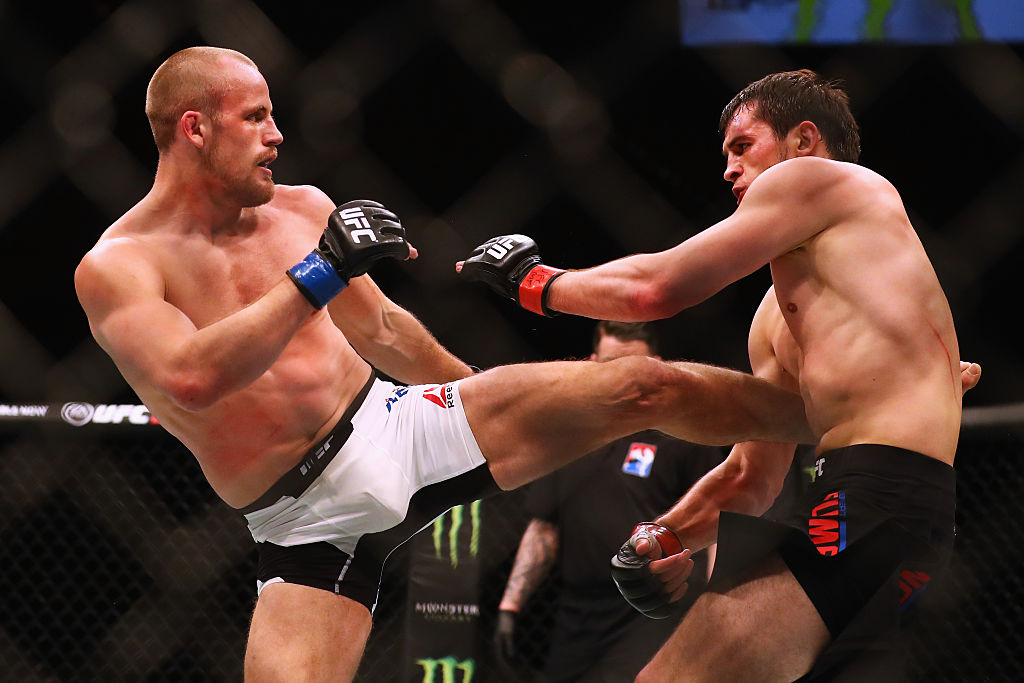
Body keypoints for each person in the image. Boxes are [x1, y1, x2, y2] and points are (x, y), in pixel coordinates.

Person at [74, 48, 823, 682]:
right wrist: (318, 273)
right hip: (300, 518)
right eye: (256, 117)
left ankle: (834, 413)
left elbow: (390, 330)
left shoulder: (301, 207)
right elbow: (190, 377)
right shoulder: (118, 265)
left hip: (393, 425)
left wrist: (478, 398)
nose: (276, 135)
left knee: (642, 384)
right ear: (194, 128)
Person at [457, 69, 982, 680]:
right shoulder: (782, 319)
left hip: (877, 493)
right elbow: (750, 476)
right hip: (879, 502)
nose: (728, 170)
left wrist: (536, 283)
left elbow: (656, 288)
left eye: (743, 145)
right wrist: (662, 538)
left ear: (803, 139)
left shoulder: (825, 180)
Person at [495, 321, 725, 682]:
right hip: (577, 613)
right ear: (592, 364)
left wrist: (714, 607)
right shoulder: (569, 436)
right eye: (611, 366)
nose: (622, 379)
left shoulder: (684, 435)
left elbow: (714, 520)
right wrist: (511, 605)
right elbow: (545, 528)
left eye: (632, 367)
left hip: (651, 610)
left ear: (656, 365)